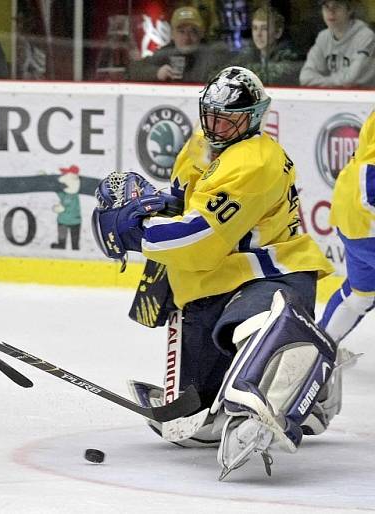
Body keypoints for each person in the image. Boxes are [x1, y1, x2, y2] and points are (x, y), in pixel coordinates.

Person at [92, 66, 336, 479]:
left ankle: (295, 384)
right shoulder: (201, 145)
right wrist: (143, 205)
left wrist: (137, 232)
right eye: (212, 115)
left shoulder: (256, 162)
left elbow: (200, 235)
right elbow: (179, 202)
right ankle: (315, 395)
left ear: (254, 118)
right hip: (215, 279)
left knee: (254, 328)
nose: (218, 126)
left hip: (271, 274)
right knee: (200, 407)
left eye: (230, 119)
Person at [319, 110, 375, 344]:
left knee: (360, 296)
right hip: (365, 215)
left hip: (354, 214)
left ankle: (313, 351)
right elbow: (369, 184)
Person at [127, 6, 230, 83]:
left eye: (193, 31)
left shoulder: (214, 54)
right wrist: (156, 73)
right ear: (172, 34)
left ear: (202, 34)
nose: (187, 38)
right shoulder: (165, 53)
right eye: (181, 32)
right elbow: (132, 71)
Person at [299, 0, 375, 88]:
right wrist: (332, 82)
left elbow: (350, 80)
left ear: (349, 10)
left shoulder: (365, 36)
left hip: (365, 98)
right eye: (326, 7)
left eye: (337, 6)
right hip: (334, 96)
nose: (331, 12)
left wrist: (320, 81)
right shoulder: (323, 37)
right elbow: (305, 77)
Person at [235, 6, 302, 86]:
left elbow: (272, 75)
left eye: (264, 29)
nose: (258, 34)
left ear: (278, 33)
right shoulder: (248, 53)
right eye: (255, 28)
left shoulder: (291, 55)